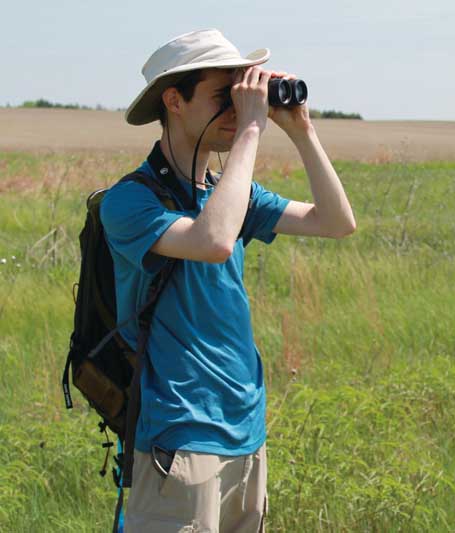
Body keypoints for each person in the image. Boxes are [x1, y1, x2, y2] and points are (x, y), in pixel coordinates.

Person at [100, 29, 356, 532]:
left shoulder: (232, 193)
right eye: (226, 96)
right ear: (174, 100)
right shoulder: (129, 202)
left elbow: (336, 221)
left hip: (245, 426)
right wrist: (252, 132)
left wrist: (301, 130)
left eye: (245, 93)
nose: (240, 108)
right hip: (180, 433)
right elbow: (212, 240)